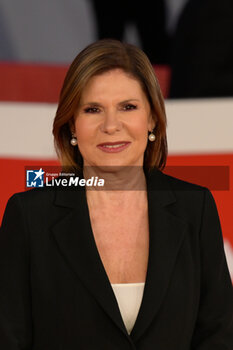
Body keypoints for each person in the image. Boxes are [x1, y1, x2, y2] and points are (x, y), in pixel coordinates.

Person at [0, 39, 232, 349]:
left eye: (128, 107)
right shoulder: (29, 216)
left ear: (151, 118)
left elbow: (218, 334)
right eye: (93, 109)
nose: (111, 125)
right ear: (72, 125)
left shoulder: (196, 207)